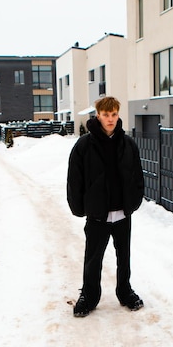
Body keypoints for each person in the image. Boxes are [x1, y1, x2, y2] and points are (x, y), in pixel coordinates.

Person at [66, 96, 145, 317]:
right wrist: (79, 207)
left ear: (118, 115)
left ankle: (125, 291)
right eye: (105, 115)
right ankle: (89, 297)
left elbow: (137, 176)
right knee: (93, 259)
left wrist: (135, 200)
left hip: (122, 214)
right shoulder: (84, 145)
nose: (110, 119)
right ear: (98, 115)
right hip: (97, 215)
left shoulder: (128, 144)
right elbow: (75, 179)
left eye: (114, 114)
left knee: (124, 257)